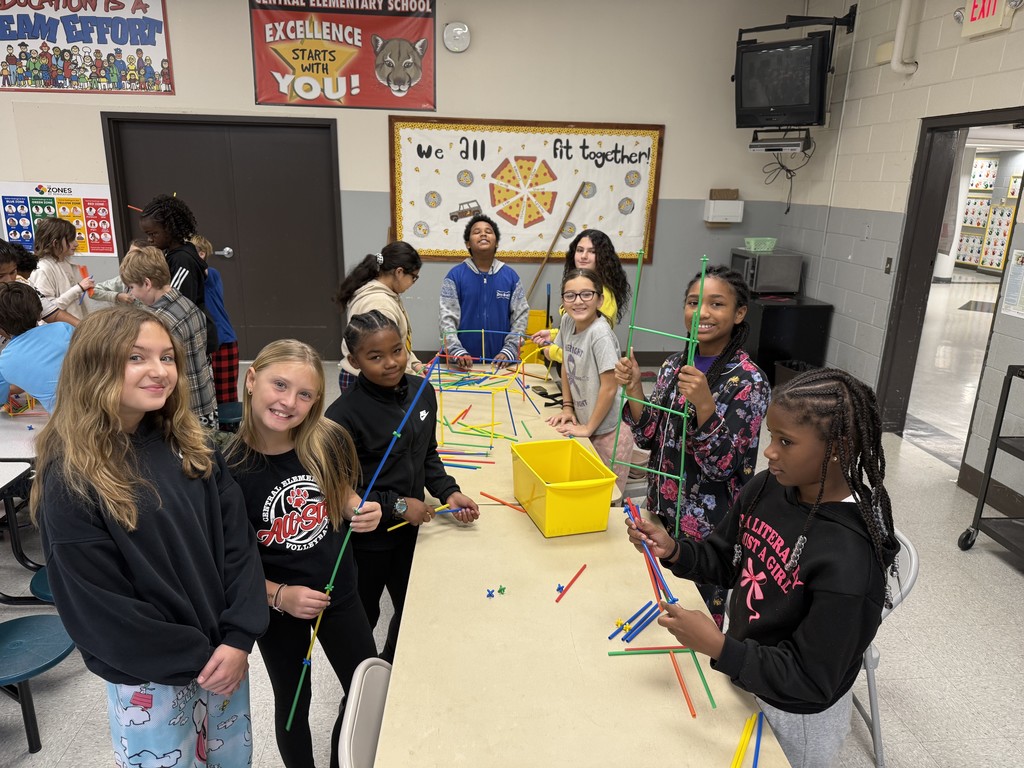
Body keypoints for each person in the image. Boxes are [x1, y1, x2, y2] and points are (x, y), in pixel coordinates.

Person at [626, 368, 900, 768]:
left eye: (786, 441)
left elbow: (811, 681)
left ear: (838, 447)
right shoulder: (768, 488)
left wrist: (719, 647)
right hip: (743, 670)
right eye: (772, 436)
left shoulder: (850, 565)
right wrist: (673, 551)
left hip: (795, 716)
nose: (769, 451)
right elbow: (724, 560)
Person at [31, 306, 268, 766]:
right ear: (94, 366)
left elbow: (238, 546)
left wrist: (239, 637)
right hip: (152, 677)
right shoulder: (73, 476)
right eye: (137, 357)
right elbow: (98, 605)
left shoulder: (191, 447)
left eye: (167, 357)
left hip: (224, 662)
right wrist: (200, 655)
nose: (160, 371)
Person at [225, 339, 382, 768]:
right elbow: (228, 567)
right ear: (252, 380)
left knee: (364, 691)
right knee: (294, 704)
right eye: (280, 385)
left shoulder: (326, 439)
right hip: (279, 612)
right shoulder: (227, 468)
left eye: (305, 394)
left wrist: (356, 507)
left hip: (341, 596)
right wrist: (279, 595)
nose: (289, 402)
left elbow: (341, 492)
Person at [614, 264, 769, 625]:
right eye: (693, 302)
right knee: (656, 605)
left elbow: (723, 464)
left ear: (739, 313)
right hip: (662, 511)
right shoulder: (673, 365)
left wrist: (704, 403)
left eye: (717, 304)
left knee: (695, 617)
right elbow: (649, 436)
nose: (702, 313)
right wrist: (636, 388)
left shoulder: (749, 381)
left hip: (708, 530)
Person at [325, 310, 479, 662]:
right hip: (368, 542)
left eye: (397, 350)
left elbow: (427, 453)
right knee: (364, 616)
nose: (391, 363)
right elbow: (338, 492)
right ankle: (362, 681)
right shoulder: (341, 417)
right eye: (375, 357)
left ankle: (393, 660)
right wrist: (397, 505)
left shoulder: (423, 392)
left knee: (412, 608)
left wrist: (448, 491)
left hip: (413, 533)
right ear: (353, 361)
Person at [545, 269, 634, 496]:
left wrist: (588, 427)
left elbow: (610, 386)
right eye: (570, 295)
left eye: (586, 294)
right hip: (588, 422)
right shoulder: (567, 321)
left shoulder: (600, 334)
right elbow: (566, 362)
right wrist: (567, 406)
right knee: (583, 491)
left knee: (605, 498)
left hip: (609, 432)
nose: (578, 302)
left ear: (600, 299)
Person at [121, 246, 217, 428]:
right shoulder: (187, 303)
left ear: (147, 283)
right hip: (206, 399)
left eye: (132, 287)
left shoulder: (159, 323)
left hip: (182, 409)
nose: (131, 293)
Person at [439, 214, 528, 370]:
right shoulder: (455, 276)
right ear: (468, 243)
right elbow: (446, 320)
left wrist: (510, 350)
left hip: (501, 365)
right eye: (476, 232)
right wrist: (456, 351)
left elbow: (521, 317)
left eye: (488, 231)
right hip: (462, 366)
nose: (483, 234)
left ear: (497, 243)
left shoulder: (511, 277)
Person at [335, 241, 426, 393]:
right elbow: (385, 352)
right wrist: (412, 379)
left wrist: (414, 364)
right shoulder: (380, 304)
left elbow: (399, 342)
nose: (413, 283)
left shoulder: (389, 295)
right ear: (399, 272)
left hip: (372, 376)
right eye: (414, 277)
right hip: (368, 380)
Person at [531, 229, 631, 365]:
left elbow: (586, 351)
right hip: (571, 370)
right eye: (579, 250)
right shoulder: (578, 283)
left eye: (592, 251)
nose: (583, 256)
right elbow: (578, 329)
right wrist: (554, 334)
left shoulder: (602, 294)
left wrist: (552, 352)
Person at [139, 194, 218, 354]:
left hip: (192, 335)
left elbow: (175, 302)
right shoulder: (174, 253)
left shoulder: (183, 259)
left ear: (170, 229)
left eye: (153, 234)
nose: (149, 240)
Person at [0, 281, 73, 411]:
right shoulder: (64, 328)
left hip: (66, 422)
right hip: (105, 404)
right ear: (40, 313)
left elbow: (1, 399)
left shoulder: (5, 362)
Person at [192, 234, 239, 406]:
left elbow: (201, 272)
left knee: (226, 396)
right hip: (202, 342)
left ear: (202, 255)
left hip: (222, 341)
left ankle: (230, 431)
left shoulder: (211, 274)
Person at [0, 240, 79, 331]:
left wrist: (90, 330)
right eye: (1, 276)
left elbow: (55, 315)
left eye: (13, 272)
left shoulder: (23, 287)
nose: (9, 281)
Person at [28, 216, 95, 321]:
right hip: (60, 331)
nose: (76, 244)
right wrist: (78, 288)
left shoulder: (67, 262)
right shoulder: (42, 269)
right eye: (71, 240)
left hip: (77, 326)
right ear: (55, 243)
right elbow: (46, 309)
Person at [93, 238, 145, 306]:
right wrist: (117, 296)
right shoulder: (122, 280)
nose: (130, 257)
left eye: (135, 254)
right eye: (129, 253)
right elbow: (94, 291)